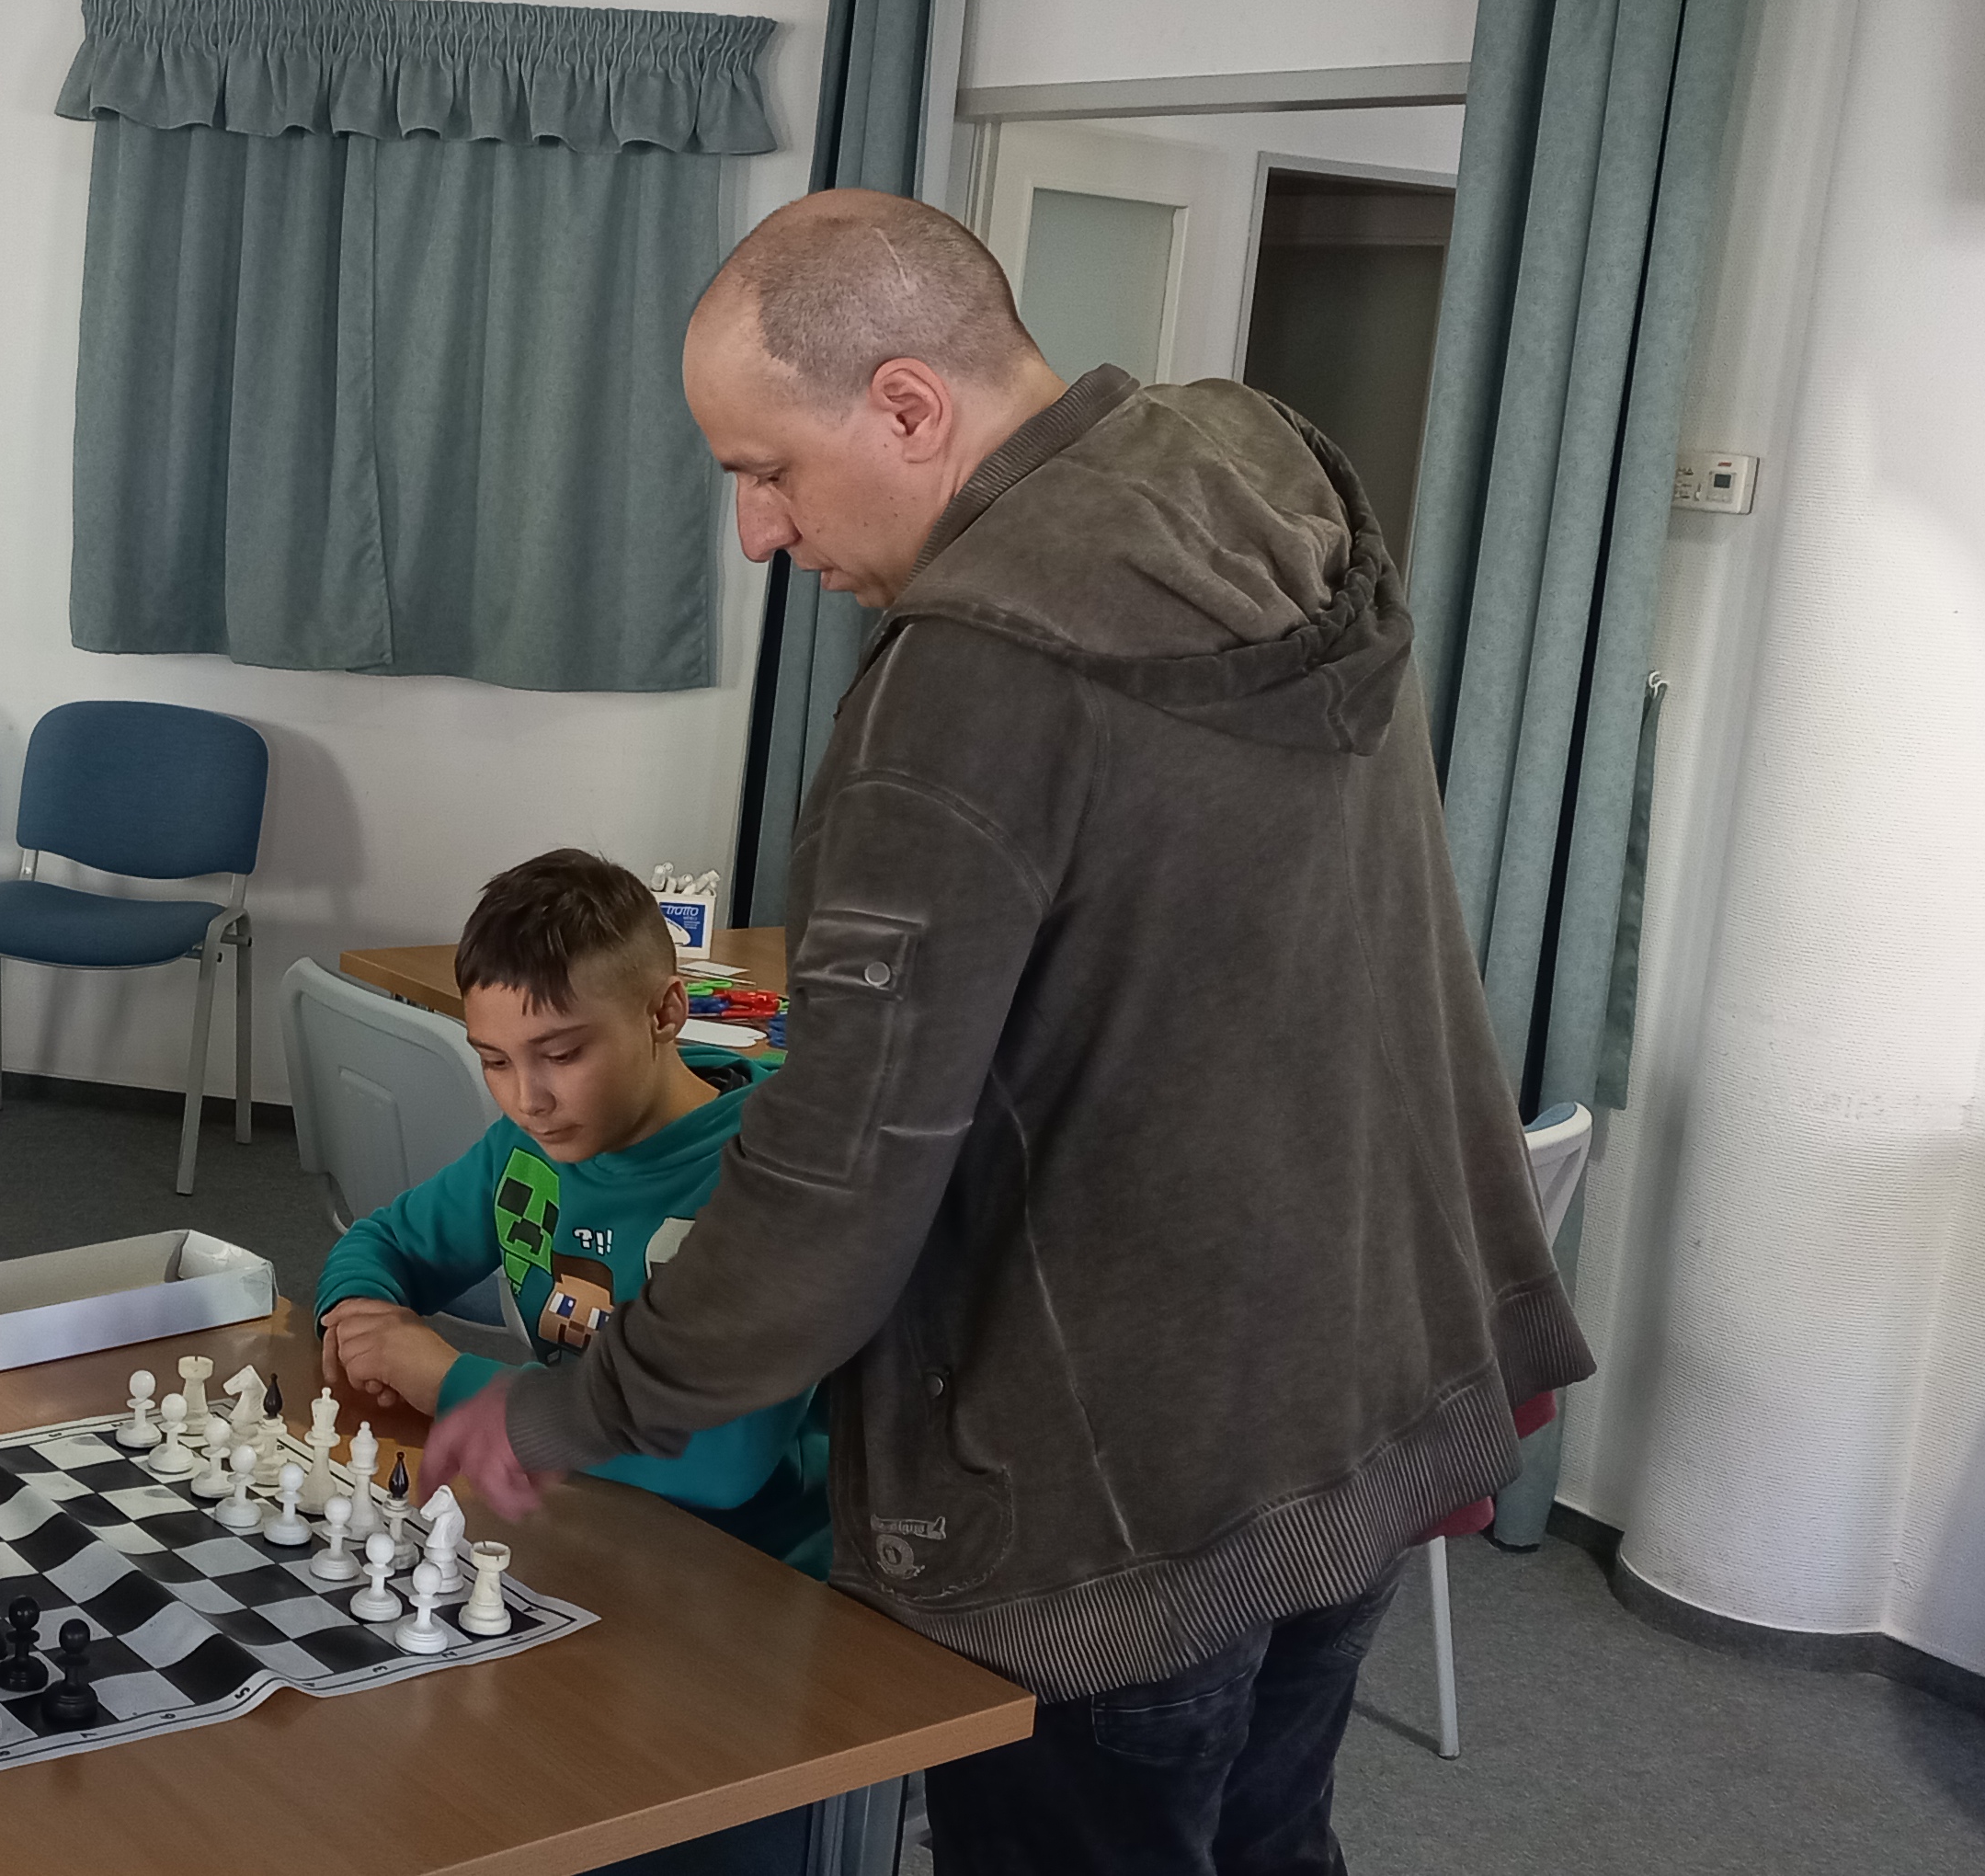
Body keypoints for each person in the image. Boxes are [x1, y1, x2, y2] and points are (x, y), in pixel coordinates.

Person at [416, 190, 1594, 1876]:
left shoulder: (960, 688)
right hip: (1359, 1391)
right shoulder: (1250, 461)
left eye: (767, 469)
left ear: (907, 405)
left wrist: (567, 1410)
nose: (754, 533)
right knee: (1270, 1841)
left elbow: (831, 1194)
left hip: (1109, 1489)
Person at [313, 850, 824, 1572]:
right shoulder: (527, 1150)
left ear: (666, 1012)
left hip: (759, 1567)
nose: (528, 1100)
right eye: (495, 1061)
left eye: (562, 1054)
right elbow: (386, 1241)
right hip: (584, 1515)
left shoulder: (770, 1176)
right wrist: (361, 1314)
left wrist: (449, 1381)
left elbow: (719, 1460)